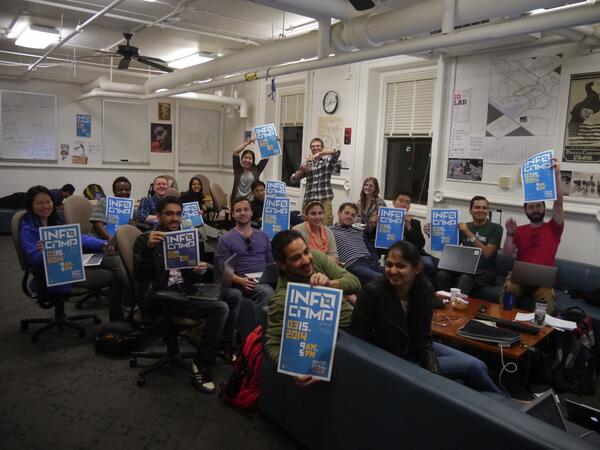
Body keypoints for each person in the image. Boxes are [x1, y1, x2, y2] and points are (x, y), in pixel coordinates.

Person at [350, 240, 506, 395]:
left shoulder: (425, 289)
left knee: (479, 364)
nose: (392, 270)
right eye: (389, 265)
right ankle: (503, 403)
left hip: (416, 347)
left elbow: (424, 338)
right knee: (472, 366)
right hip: (393, 356)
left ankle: (497, 401)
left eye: (400, 266)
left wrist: (432, 371)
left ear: (417, 268)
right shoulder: (373, 292)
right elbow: (357, 339)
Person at [133, 196, 240, 394]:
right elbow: (140, 275)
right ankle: (202, 364)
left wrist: (198, 270)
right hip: (161, 296)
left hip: (185, 290)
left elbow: (188, 274)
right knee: (219, 308)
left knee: (233, 295)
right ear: (158, 215)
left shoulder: (184, 237)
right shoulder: (145, 239)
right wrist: (148, 250)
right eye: (169, 214)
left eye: (178, 214)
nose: (175, 218)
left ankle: (223, 346)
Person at [265, 229, 361, 386]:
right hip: (343, 341)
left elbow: (354, 283)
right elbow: (272, 343)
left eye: (306, 252)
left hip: (357, 325)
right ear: (282, 264)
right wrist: (294, 369)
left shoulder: (316, 258)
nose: (306, 260)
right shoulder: (283, 298)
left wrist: (331, 284)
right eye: (296, 258)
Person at [19, 185, 127, 322]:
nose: (45, 206)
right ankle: (120, 320)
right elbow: (33, 261)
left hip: (72, 262)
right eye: (40, 203)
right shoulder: (28, 229)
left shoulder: (54, 221)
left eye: (48, 201)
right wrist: (43, 253)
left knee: (115, 259)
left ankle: (135, 301)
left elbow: (80, 238)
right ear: (31, 205)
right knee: (114, 277)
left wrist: (103, 245)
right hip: (57, 273)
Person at [503, 158, 564, 313]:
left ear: (544, 209)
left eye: (538, 206)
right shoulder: (519, 230)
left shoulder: (554, 228)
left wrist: (557, 174)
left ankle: (539, 329)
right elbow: (508, 252)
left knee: (546, 299)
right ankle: (503, 323)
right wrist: (510, 233)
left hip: (544, 284)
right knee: (509, 290)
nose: (535, 210)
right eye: (531, 207)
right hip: (520, 280)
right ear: (525, 211)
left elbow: (558, 203)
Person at [215, 197, 274, 337]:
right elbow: (222, 268)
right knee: (267, 293)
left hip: (263, 277)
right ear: (233, 214)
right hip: (241, 279)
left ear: (251, 212)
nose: (242, 213)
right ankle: (257, 337)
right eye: (238, 210)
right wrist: (240, 281)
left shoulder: (263, 235)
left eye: (246, 209)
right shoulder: (225, 239)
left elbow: (270, 262)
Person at [430, 196, 503, 296]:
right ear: (470, 211)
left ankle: (457, 305)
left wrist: (468, 233)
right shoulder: (465, 227)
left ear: (488, 211)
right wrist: (433, 235)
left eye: (484, 208)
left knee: (464, 278)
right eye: (477, 207)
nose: (481, 210)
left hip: (485, 271)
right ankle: (441, 302)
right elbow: (450, 248)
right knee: (442, 275)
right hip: (464, 268)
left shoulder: (496, 228)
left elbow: (487, 254)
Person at [290, 137, 340, 226]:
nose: (315, 148)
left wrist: (320, 153)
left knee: (326, 226)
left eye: (317, 146)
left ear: (322, 147)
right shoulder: (307, 163)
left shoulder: (328, 161)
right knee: (306, 226)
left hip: (324, 199)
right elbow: (293, 180)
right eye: (313, 146)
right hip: (309, 199)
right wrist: (301, 171)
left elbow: (337, 151)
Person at [331, 202, 383, 285]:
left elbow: (370, 248)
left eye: (353, 215)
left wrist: (375, 260)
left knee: (396, 276)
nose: (349, 216)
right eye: (347, 213)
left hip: (371, 262)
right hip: (354, 264)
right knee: (382, 279)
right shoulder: (330, 231)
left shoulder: (358, 231)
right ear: (339, 213)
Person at [393, 191, 437, 276]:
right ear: (394, 203)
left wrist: (409, 226)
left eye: (407, 203)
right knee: (428, 263)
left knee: (443, 265)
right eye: (401, 201)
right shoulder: (384, 220)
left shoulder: (414, 222)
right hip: (396, 255)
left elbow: (421, 243)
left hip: (415, 255)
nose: (404, 205)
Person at [90, 176, 133, 240]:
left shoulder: (131, 208)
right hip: (100, 239)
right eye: (120, 190)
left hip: (122, 240)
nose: (124, 192)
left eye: (127, 190)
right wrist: (112, 241)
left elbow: (133, 228)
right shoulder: (104, 202)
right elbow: (97, 225)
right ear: (114, 191)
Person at [231, 139, 268, 204]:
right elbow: (235, 152)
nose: (247, 160)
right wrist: (247, 143)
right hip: (237, 201)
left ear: (253, 161)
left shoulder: (257, 170)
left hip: (251, 202)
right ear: (241, 159)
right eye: (245, 157)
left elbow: (267, 155)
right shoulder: (237, 169)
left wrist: (272, 141)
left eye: (250, 158)